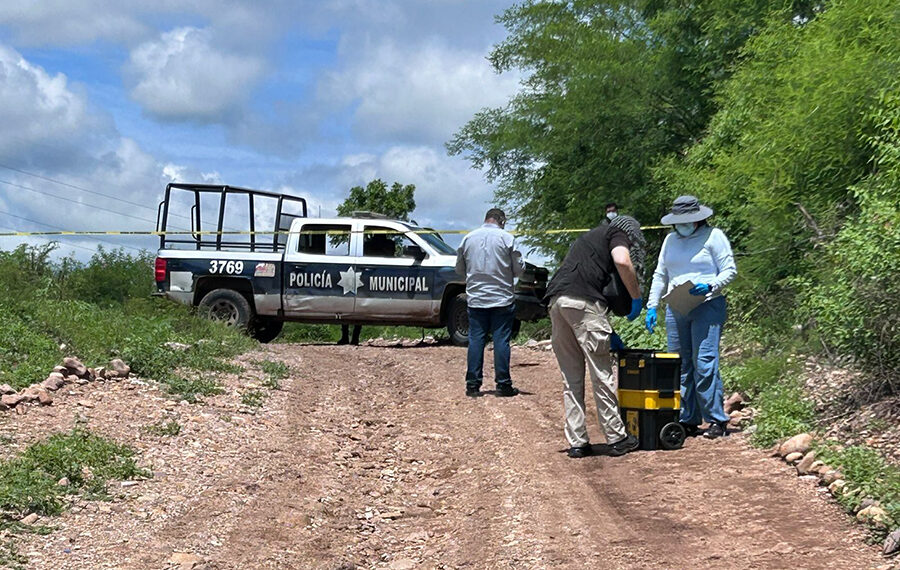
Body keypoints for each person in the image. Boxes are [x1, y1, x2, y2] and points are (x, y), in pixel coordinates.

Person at [544, 215, 645, 458]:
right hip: (582, 303)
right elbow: (622, 262)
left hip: (557, 302)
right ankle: (617, 438)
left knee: (571, 378)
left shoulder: (588, 239)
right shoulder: (616, 233)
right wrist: (636, 296)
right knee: (602, 374)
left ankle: (577, 442)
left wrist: (608, 330)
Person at [645, 195, 737, 439]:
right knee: (681, 363)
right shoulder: (670, 240)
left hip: (707, 304)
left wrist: (711, 286)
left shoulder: (714, 237)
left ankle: (716, 419)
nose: (681, 225)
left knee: (704, 361)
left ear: (698, 219)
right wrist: (652, 305)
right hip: (677, 306)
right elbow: (660, 274)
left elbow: (729, 270)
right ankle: (688, 418)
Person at [455, 208, 525, 398]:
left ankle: (472, 385)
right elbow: (519, 270)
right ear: (501, 221)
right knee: (501, 340)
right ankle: (503, 384)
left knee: (476, 339)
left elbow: (459, 269)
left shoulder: (468, 239)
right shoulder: (507, 239)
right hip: (502, 297)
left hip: (477, 298)